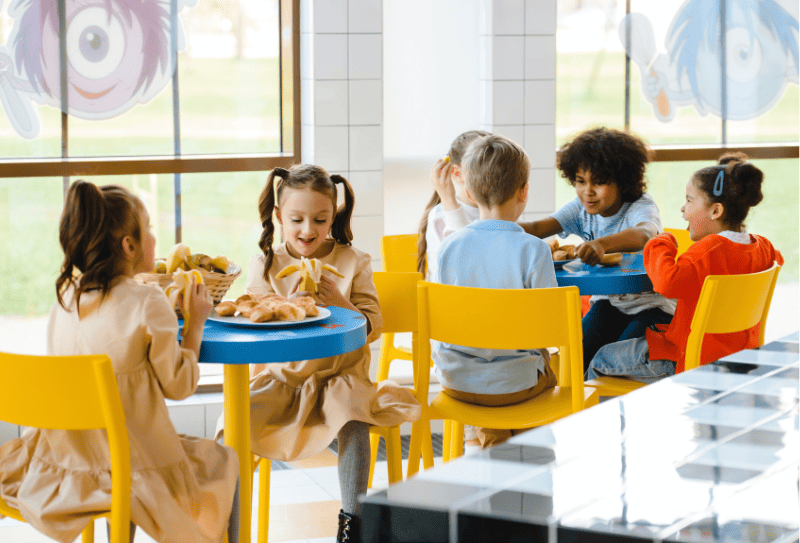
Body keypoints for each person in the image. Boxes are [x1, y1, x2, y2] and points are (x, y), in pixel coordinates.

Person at [0, 180, 240, 543]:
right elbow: (179, 386)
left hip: (70, 464)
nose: (155, 240)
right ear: (130, 246)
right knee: (223, 461)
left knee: (128, 443)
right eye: (149, 231)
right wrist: (195, 325)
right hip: (132, 468)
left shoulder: (63, 299)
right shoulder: (148, 302)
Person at [229, 165, 420, 543]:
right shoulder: (265, 265)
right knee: (232, 420)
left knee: (352, 415)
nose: (307, 230)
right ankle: (228, 526)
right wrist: (284, 305)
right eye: (297, 219)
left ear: (334, 216)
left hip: (340, 379)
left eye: (320, 219)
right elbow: (254, 328)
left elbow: (372, 326)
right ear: (279, 217)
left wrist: (340, 302)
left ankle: (353, 523)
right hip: (285, 381)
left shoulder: (353, 261)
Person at [586, 153, 784, 381]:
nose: (683, 208)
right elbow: (776, 259)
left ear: (716, 211)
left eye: (689, 200)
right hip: (738, 354)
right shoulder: (764, 246)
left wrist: (661, 242)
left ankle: (592, 416)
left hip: (687, 357)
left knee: (602, 357)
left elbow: (667, 282)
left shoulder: (707, 251)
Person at [432, 134, 559, 450]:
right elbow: (551, 331)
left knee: (497, 367)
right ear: (524, 191)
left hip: (456, 380)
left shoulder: (449, 249)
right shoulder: (534, 250)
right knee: (541, 369)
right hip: (515, 385)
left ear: (470, 193)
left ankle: (492, 444)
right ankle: (521, 460)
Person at [519, 126, 674, 369]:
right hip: (609, 305)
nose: (587, 191)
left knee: (617, 363)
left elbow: (645, 234)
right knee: (575, 359)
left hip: (653, 308)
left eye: (599, 182)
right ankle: (580, 406)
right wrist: (494, 225)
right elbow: (538, 228)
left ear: (622, 181)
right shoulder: (579, 209)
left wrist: (602, 244)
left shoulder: (640, 206)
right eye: (580, 181)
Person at [417, 129, 491, 278]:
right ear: (457, 174)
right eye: (480, 168)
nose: (491, 175)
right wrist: (448, 199)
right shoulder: (441, 215)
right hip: (450, 298)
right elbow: (468, 261)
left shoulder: (500, 209)